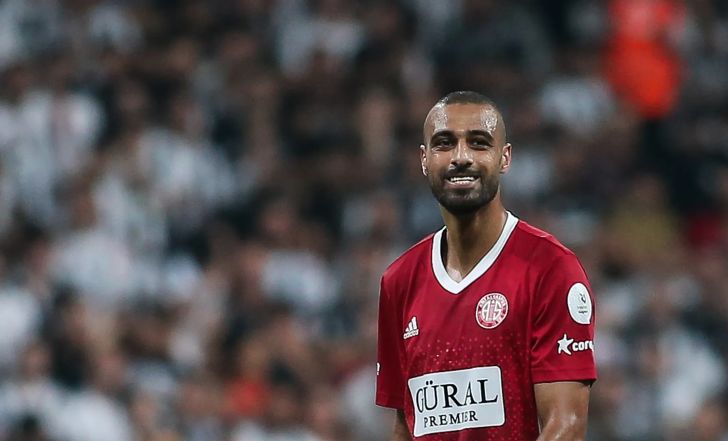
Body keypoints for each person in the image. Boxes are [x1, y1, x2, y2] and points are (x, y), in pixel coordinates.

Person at [375, 91, 596, 440]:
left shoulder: (551, 270)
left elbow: (566, 425)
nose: (461, 157)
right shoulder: (399, 281)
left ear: (504, 158)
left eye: (478, 143)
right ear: (424, 159)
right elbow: (405, 424)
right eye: (444, 143)